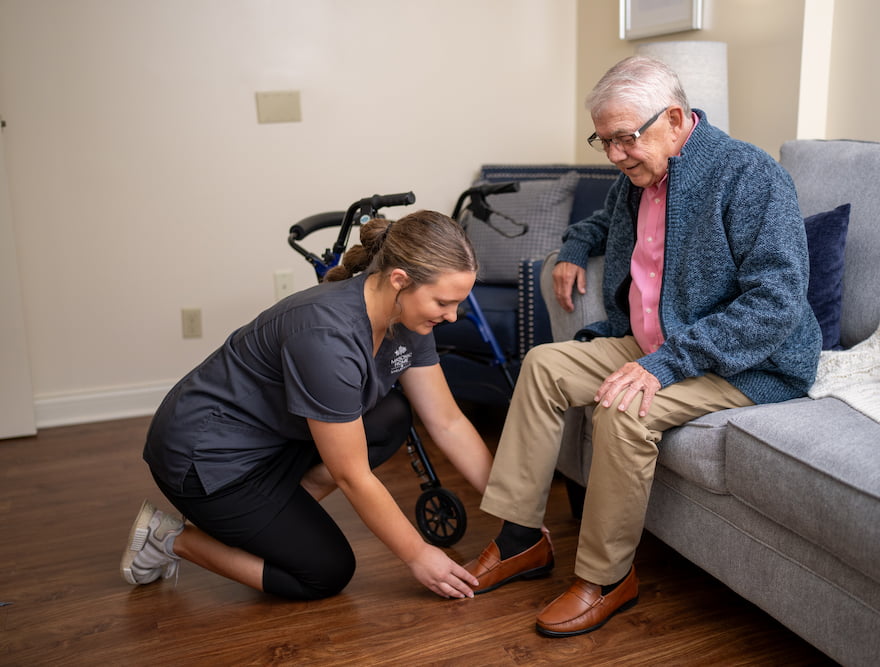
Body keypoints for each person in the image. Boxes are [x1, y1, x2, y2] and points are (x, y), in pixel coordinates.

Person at [463, 55, 822, 637]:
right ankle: (520, 539)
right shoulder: (640, 176)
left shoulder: (748, 177)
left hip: (747, 362)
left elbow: (776, 303)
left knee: (623, 409)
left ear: (676, 120)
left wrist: (665, 365)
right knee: (543, 365)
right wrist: (576, 248)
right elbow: (601, 223)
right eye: (603, 141)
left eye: (625, 139)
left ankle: (608, 579)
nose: (613, 155)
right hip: (656, 341)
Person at [122, 209, 491, 600]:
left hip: (270, 440)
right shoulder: (327, 335)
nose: (451, 316)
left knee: (390, 417)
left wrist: (514, 509)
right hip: (208, 459)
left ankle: (267, 520)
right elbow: (352, 476)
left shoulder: (408, 317)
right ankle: (169, 538)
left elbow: (447, 421)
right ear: (400, 280)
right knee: (326, 571)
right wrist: (418, 555)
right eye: (443, 303)